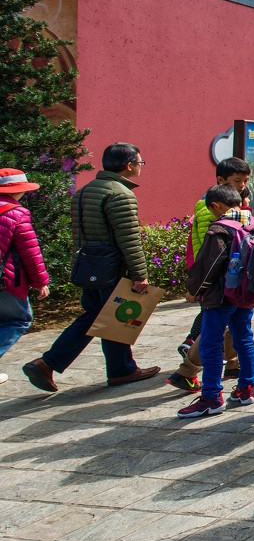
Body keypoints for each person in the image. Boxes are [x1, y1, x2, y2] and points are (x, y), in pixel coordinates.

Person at [24, 143, 159, 392]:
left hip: (89, 266)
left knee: (103, 317)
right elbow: (128, 238)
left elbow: (79, 235)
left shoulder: (85, 191)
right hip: (111, 268)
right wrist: (140, 274)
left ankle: (122, 369)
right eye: (140, 163)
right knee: (106, 316)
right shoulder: (120, 194)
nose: (141, 167)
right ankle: (48, 362)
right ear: (129, 165)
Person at [177, 184, 254, 418]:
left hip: (221, 295)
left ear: (216, 205)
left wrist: (195, 289)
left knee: (211, 344)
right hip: (246, 293)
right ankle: (247, 388)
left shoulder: (220, 229)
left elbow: (209, 266)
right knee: (243, 337)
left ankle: (212, 397)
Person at [0, 169, 49, 383]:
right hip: (6, 282)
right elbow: (30, 252)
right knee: (17, 321)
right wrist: (40, 282)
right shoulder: (16, 213)